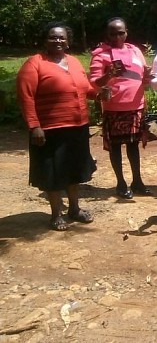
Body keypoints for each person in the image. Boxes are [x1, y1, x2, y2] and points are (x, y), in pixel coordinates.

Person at [17, 22, 96, 231]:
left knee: (74, 170)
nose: (58, 41)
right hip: (50, 129)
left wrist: (99, 93)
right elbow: (26, 97)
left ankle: (74, 209)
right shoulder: (34, 64)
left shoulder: (75, 62)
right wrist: (34, 126)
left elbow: (86, 89)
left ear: (68, 41)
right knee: (52, 173)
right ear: (45, 39)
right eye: (53, 37)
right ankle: (56, 214)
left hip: (78, 127)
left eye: (62, 38)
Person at [90, 17, 152, 199]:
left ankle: (137, 181)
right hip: (114, 108)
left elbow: (143, 76)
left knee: (133, 146)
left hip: (136, 105)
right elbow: (94, 83)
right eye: (112, 33)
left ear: (127, 32)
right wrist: (108, 74)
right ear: (106, 34)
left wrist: (148, 77)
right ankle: (120, 183)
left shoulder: (135, 51)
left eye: (121, 32)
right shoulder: (101, 54)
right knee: (116, 147)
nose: (117, 36)